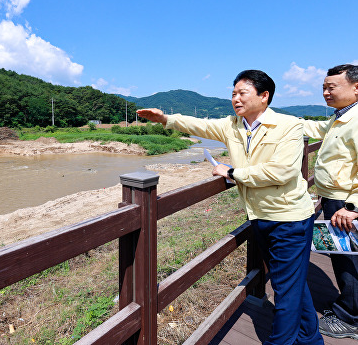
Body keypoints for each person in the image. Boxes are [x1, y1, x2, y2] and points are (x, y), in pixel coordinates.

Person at [137, 70, 323, 345]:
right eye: (233, 93)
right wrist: (166, 118)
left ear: (264, 96)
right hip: (259, 216)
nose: (235, 99)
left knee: (285, 290)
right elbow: (199, 125)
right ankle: (310, 338)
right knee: (292, 284)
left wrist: (233, 172)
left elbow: (281, 172)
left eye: (242, 93)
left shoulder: (289, 125)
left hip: (289, 218)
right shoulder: (232, 126)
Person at [302, 64, 358, 340]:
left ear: (355, 87)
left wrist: (352, 208)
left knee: (349, 259)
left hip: (345, 204)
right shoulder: (341, 117)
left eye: (331, 87)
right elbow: (314, 126)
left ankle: (350, 317)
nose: (325, 92)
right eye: (324, 87)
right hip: (335, 199)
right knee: (342, 254)